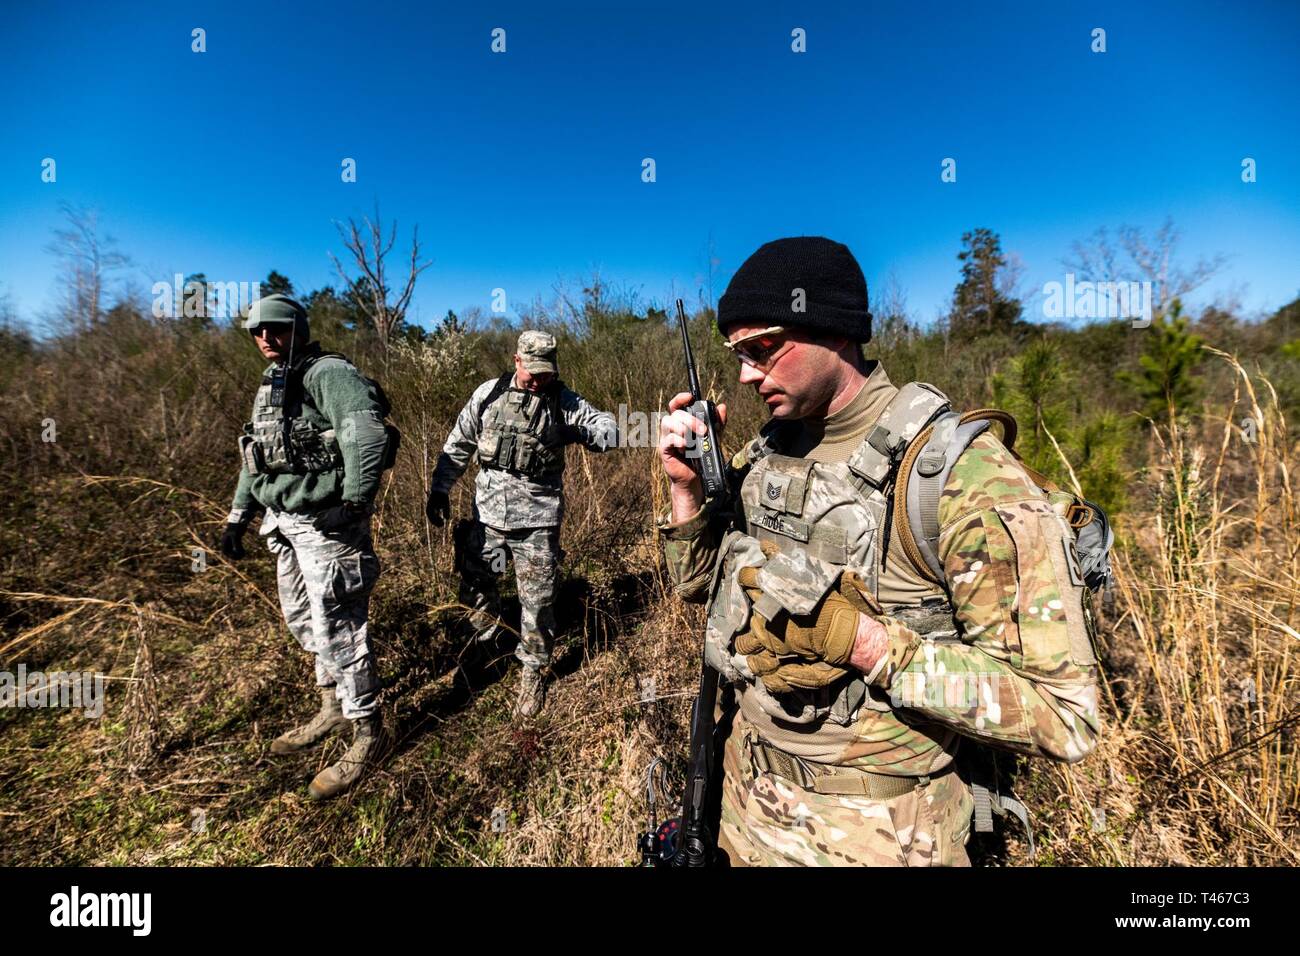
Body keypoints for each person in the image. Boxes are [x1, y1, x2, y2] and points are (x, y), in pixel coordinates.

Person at [657, 237, 1100, 866]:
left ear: (833, 330)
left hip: (883, 837)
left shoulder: (957, 474)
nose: (747, 376)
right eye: (736, 355)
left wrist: (865, 643)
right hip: (741, 810)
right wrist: (687, 491)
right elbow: (703, 591)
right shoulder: (767, 455)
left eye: (762, 349)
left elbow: (1064, 714)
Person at [219, 293, 393, 800]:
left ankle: (368, 734)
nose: (266, 340)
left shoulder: (327, 374)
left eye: (276, 329)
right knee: (304, 621)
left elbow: (365, 433)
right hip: (285, 521)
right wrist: (239, 514)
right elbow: (257, 455)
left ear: (297, 327)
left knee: (340, 628)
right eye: (257, 332)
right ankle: (332, 707)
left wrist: (357, 503)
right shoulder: (272, 385)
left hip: (328, 525)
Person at [426, 330, 617, 718]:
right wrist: (439, 490)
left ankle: (532, 670)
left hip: (537, 525)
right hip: (489, 521)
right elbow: (458, 444)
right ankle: (485, 643)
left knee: (538, 603)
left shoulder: (562, 400)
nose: (536, 379)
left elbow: (610, 430)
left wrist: (578, 431)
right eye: (530, 372)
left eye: (544, 373)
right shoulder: (488, 394)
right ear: (516, 361)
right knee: (478, 588)